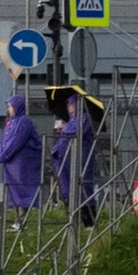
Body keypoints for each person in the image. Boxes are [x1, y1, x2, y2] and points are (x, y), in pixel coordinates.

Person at [48, 86, 103, 225]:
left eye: (72, 104)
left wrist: (64, 130)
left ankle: (88, 221)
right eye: (68, 105)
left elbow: (75, 132)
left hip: (80, 159)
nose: (70, 108)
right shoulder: (70, 121)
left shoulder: (84, 118)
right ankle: (74, 218)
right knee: (68, 188)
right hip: (66, 159)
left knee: (83, 187)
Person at [0, 90, 41, 226]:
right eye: (8, 107)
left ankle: (22, 219)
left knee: (22, 191)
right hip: (12, 164)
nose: (9, 110)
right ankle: (18, 219)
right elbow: (4, 140)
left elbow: (16, 142)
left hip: (23, 164)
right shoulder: (11, 123)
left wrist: (2, 155)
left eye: (11, 106)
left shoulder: (23, 122)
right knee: (14, 191)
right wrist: (0, 153)